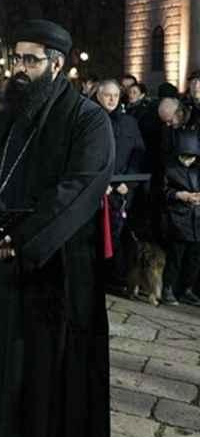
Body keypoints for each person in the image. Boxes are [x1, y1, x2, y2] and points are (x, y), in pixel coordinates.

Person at [0, 19, 114, 437]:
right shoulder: (0, 125)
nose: (19, 68)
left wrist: (17, 239)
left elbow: (76, 192)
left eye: (30, 60)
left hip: (57, 285)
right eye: (17, 58)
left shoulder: (88, 122)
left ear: (57, 64)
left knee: (50, 405)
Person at [95, 79, 147, 290]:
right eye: (108, 95)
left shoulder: (129, 122)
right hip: (98, 190)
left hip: (123, 191)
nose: (112, 99)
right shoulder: (91, 119)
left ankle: (116, 278)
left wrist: (129, 181)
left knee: (118, 235)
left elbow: (138, 152)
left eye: (116, 95)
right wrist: (99, 183)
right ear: (99, 96)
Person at [163, 130, 200, 305]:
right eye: (185, 156)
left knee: (194, 257)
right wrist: (179, 195)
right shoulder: (169, 168)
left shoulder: (196, 169)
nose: (188, 160)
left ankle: (186, 289)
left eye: (192, 157)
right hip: (177, 218)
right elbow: (161, 191)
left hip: (196, 219)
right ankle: (168, 287)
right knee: (175, 256)